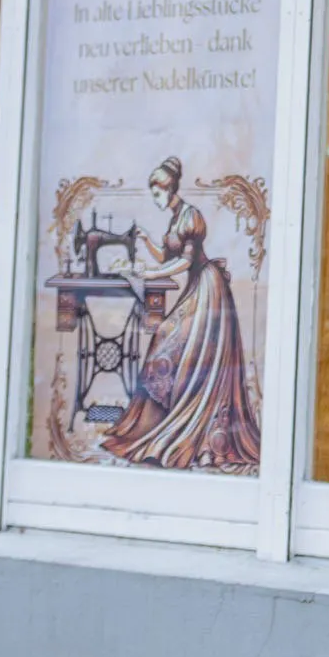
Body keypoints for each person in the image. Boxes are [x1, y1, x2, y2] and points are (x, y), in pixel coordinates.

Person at [102, 157, 263, 474]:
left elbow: (186, 263)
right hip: (196, 287)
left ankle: (190, 423)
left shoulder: (191, 216)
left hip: (207, 288)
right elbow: (168, 257)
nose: (155, 199)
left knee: (175, 341)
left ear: (169, 188)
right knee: (169, 341)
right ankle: (157, 419)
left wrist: (149, 273)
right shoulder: (176, 218)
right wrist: (147, 242)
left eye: (157, 193)